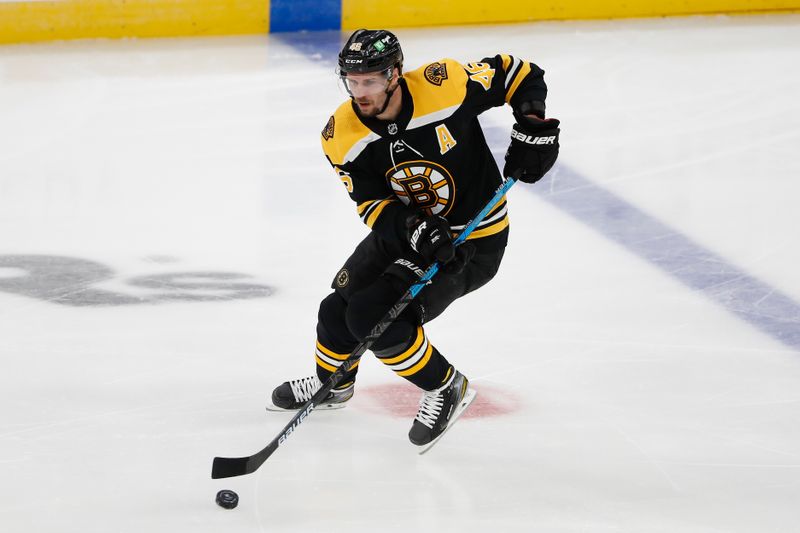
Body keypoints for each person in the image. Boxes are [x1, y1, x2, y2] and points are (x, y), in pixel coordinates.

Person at [268, 29, 560, 447]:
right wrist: (412, 229)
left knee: (373, 317)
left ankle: (446, 388)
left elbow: (519, 72)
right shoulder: (342, 135)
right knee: (337, 308)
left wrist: (532, 120)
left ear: (394, 74)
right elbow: (370, 203)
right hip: (409, 234)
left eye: (369, 80)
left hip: (471, 242)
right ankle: (333, 385)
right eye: (352, 81)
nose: (359, 91)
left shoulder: (445, 85)